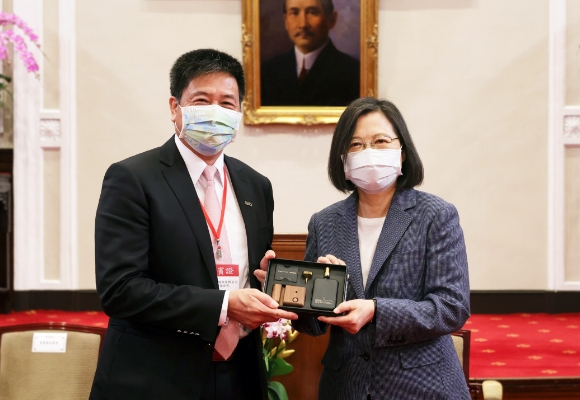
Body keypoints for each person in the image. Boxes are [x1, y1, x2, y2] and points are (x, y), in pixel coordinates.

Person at [89, 49, 297, 400]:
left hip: (240, 375)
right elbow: (120, 289)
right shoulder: (133, 178)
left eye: (227, 103)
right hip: (156, 377)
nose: (216, 112)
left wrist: (265, 280)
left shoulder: (255, 185)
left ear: (239, 112)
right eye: (202, 100)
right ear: (175, 108)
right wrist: (224, 304)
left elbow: (250, 274)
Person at [256, 98, 471, 399]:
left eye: (380, 141)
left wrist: (375, 311)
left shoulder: (435, 215)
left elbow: (451, 307)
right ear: (343, 159)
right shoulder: (325, 222)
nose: (368, 152)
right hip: (346, 385)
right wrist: (280, 290)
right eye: (355, 144)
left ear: (402, 151)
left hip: (421, 385)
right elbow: (313, 324)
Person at [260, 0, 360, 106]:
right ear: (286, 20)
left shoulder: (354, 73)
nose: (303, 24)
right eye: (294, 13)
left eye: (312, 12)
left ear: (331, 19)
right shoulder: (266, 73)